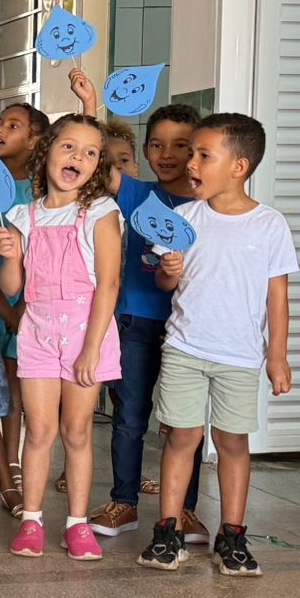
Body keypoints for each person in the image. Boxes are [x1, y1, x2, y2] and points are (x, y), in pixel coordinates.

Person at [139, 114, 297, 576]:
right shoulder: (184, 219)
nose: (191, 163)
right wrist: (168, 269)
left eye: (203, 155)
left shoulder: (269, 225)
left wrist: (277, 356)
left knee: (231, 442)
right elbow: (167, 284)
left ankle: (232, 536)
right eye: (193, 153)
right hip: (185, 349)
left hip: (239, 356)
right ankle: (168, 533)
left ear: (238, 167)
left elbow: (277, 296)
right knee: (182, 438)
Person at [0, 114, 121, 560]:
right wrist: (11, 255)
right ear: (46, 150)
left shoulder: (101, 212)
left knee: (77, 431)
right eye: (68, 146)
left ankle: (77, 524)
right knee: (39, 430)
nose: (77, 157)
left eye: (90, 152)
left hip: (88, 332)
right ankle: (31, 520)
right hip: (39, 332)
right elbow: (12, 288)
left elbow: (108, 284)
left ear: (98, 164)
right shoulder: (22, 216)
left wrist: (91, 350)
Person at [86, 105, 209, 539]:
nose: (167, 154)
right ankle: (124, 502)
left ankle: (186, 510)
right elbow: (96, 162)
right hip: (136, 322)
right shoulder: (137, 193)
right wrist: (90, 106)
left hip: (190, 330)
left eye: (181, 145)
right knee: (130, 417)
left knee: (185, 425)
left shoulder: (207, 204)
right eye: (157, 144)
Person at [0, 100, 51, 491]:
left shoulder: (41, 193)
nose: (0, 130)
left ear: (35, 139)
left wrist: (21, 311)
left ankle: (14, 459)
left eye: (13, 126)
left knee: (17, 380)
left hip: (30, 302)